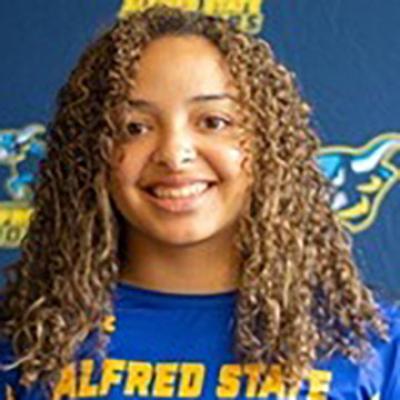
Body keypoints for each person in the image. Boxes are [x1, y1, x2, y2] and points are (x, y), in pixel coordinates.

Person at [0, 4, 399, 400]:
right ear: (91, 155)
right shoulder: (24, 343)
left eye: (213, 122)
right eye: (134, 127)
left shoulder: (376, 346)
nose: (174, 154)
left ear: (268, 144)